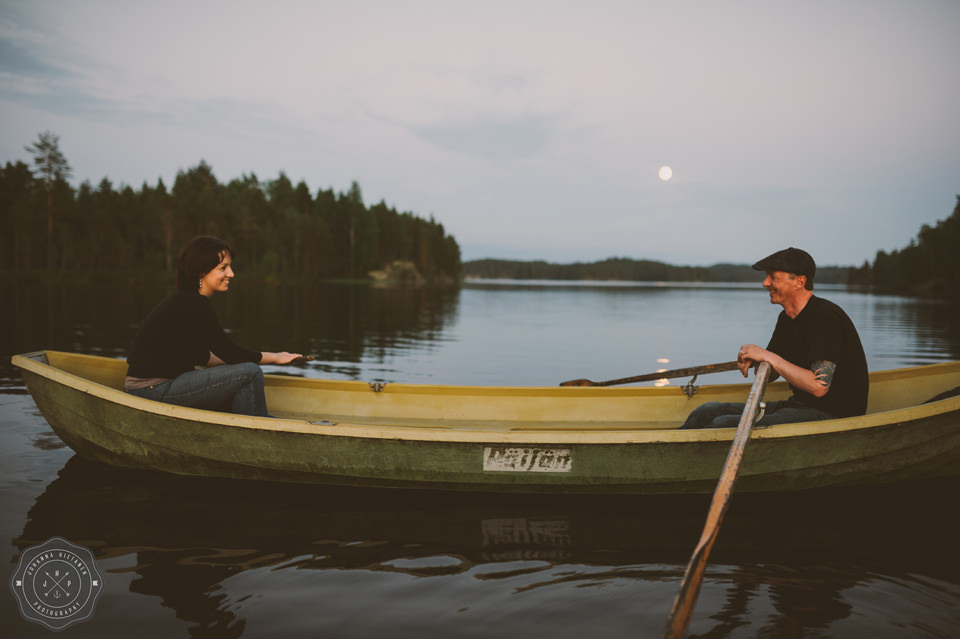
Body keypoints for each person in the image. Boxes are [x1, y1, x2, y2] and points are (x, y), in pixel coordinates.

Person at [680, 247, 868, 429]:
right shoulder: (786, 317)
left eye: (773, 277)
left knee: (722, 424)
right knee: (706, 411)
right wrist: (755, 360)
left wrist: (768, 356)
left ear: (799, 282)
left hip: (834, 414)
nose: (765, 283)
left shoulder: (825, 318)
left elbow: (818, 387)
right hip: (799, 406)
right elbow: (772, 374)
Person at [125, 235, 302, 416]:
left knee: (240, 381)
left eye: (229, 267)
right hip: (151, 390)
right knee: (250, 373)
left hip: (158, 386)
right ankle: (256, 431)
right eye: (223, 268)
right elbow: (230, 353)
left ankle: (257, 422)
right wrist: (276, 357)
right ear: (201, 271)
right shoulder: (191, 303)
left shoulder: (187, 300)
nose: (231, 274)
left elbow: (204, 356)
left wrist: (237, 362)